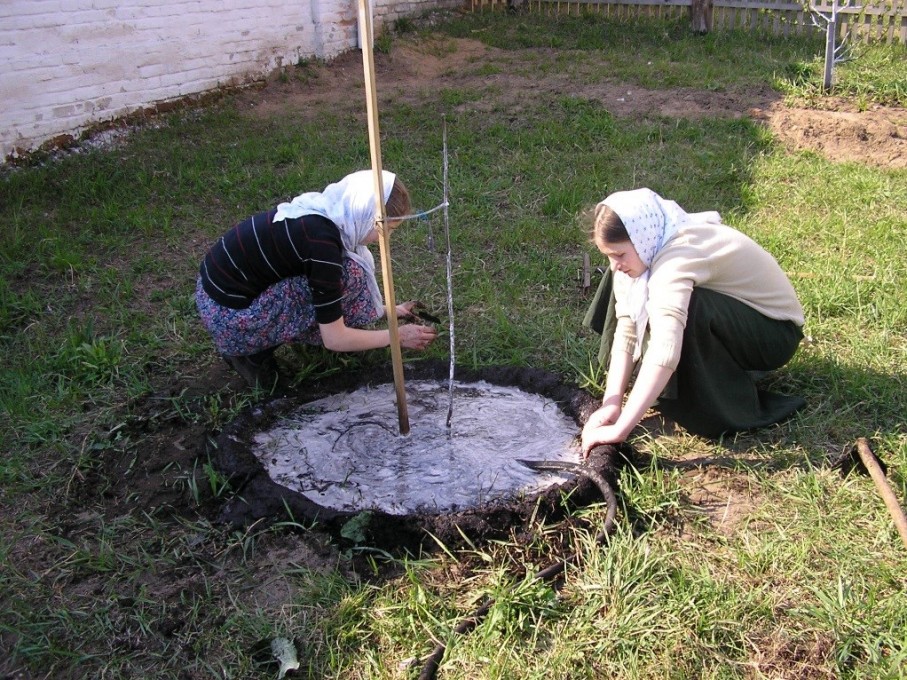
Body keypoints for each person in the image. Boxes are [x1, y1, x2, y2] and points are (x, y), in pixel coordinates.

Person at [581, 188, 805, 455]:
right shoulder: (649, 242)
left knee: (692, 305)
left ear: (641, 239)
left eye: (619, 254)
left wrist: (622, 429)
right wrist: (612, 402)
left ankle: (721, 402)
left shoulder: (678, 258)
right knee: (624, 279)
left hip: (775, 334)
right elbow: (627, 327)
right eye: (608, 254)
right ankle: (672, 383)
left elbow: (664, 351)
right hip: (740, 317)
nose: (614, 263)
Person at [196, 169, 438, 388]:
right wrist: (395, 337)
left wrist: (388, 310)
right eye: (385, 230)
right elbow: (334, 339)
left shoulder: (328, 214)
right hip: (228, 314)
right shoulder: (321, 246)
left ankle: (343, 334)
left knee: (347, 273)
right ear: (366, 214)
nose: (384, 239)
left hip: (225, 290)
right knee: (349, 275)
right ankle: (251, 354)